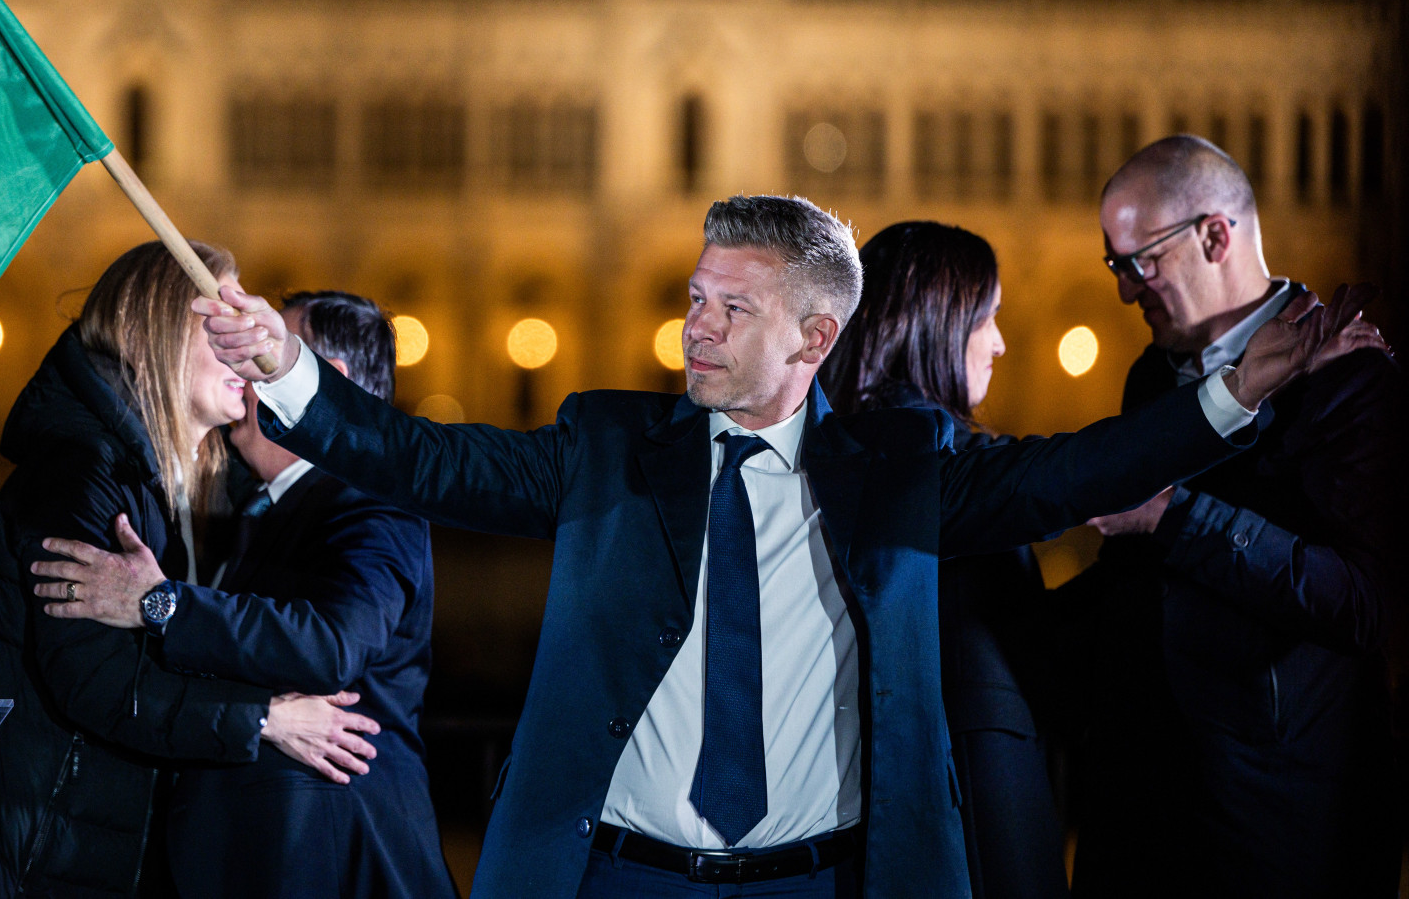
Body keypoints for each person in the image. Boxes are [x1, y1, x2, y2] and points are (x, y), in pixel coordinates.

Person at [195, 193, 1375, 899]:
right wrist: (286, 369)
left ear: (814, 336)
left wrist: (1225, 399)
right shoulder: (605, 445)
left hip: (821, 880)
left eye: (730, 308)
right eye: (692, 298)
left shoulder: (901, 467)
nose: (693, 328)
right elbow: (424, 460)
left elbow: (1071, 471)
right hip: (621, 878)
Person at [0, 241, 381, 898]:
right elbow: (93, 676)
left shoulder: (187, 486)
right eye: (217, 325)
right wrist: (265, 719)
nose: (243, 351)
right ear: (151, 330)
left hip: (76, 844)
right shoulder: (80, 472)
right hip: (15, 849)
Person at [1062, 135, 1403, 899]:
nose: (1126, 292)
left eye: (1139, 262)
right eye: (1115, 265)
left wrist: (1176, 517)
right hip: (1144, 817)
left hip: (1276, 829)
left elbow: (1364, 604)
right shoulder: (1152, 374)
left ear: (1215, 236)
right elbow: (1132, 584)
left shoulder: (1349, 374)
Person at [29, 289, 456, 898]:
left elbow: (333, 645)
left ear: (324, 382)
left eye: (259, 358)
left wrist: (159, 603)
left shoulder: (373, 500)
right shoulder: (264, 504)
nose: (239, 374)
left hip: (323, 857)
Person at [820, 222, 1066, 899]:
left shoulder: (841, 447)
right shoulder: (937, 460)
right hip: (975, 802)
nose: (1000, 343)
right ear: (936, 324)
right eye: (986, 318)